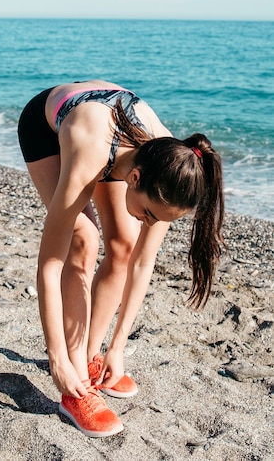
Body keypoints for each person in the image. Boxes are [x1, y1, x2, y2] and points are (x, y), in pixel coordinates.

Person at [17, 80, 224, 438]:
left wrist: (118, 347)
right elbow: (50, 266)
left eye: (159, 218)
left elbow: (142, 263)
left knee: (123, 245)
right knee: (83, 238)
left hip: (115, 138)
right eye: (148, 213)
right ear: (135, 178)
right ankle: (77, 386)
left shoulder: (172, 165)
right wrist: (58, 361)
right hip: (52, 127)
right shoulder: (92, 151)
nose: (150, 222)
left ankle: (91, 354)